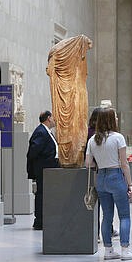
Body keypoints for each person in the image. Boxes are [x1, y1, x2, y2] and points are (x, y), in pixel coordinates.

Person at [85, 107, 132, 261]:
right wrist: (130, 184)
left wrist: (100, 162)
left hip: (101, 177)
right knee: (124, 216)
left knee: (106, 216)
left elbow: (88, 163)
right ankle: (125, 250)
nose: (116, 119)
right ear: (110, 120)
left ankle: (108, 250)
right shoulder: (118, 138)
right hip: (116, 176)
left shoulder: (92, 140)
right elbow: (124, 164)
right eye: (114, 116)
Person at [46, 34, 92, 167]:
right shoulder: (62, 51)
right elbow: (51, 66)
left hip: (76, 94)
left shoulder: (78, 76)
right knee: (69, 124)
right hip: (68, 94)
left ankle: (74, 156)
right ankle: (69, 157)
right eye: (85, 49)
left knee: (77, 123)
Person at [26, 111, 59, 230]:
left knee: (45, 194)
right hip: (44, 169)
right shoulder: (41, 132)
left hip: (48, 168)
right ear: (49, 118)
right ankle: (39, 220)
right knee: (42, 194)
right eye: (53, 118)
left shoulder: (45, 131)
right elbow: (33, 152)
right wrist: (43, 163)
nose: (55, 120)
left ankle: (43, 219)